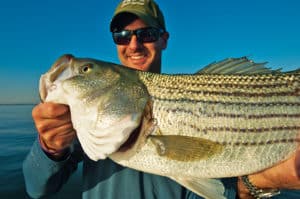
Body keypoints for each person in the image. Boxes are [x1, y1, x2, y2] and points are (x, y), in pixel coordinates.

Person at [22, 0, 300, 199]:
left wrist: (262, 183)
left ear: (163, 39)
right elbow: (38, 189)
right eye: (122, 35)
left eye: (146, 34)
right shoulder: (85, 123)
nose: (133, 44)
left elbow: (220, 191)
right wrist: (50, 148)